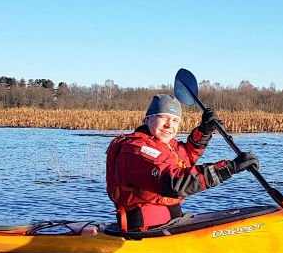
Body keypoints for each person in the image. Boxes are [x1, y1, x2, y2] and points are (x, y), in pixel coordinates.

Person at [106, 94, 259, 232]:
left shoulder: (165, 144)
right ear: (147, 119)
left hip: (171, 224)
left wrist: (204, 131)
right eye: (163, 117)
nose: (169, 125)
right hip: (145, 232)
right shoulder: (136, 150)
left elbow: (186, 157)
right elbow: (176, 182)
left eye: (175, 120)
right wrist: (229, 168)